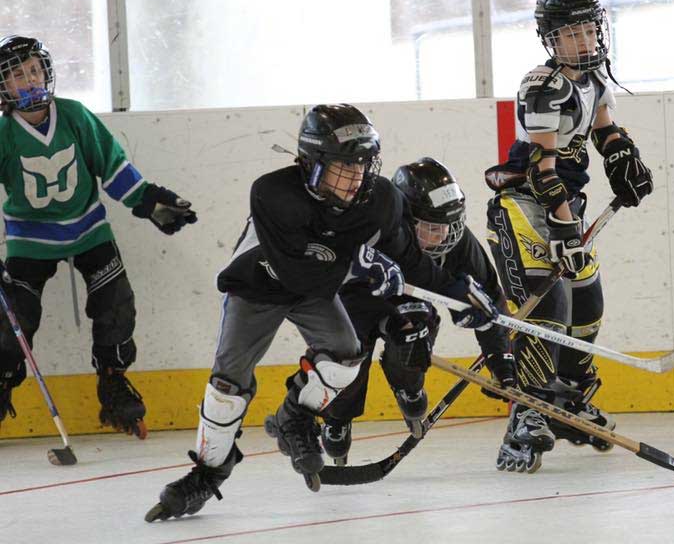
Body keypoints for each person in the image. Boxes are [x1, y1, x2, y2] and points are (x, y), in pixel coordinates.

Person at [146, 104, 499, 521]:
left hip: (316, 287)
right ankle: (208, 473)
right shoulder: (272, 193)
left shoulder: (380, 198)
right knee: (227, 388)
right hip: (258, 283)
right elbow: (294, 271)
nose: (356, 178)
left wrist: (459, 294)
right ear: (311, 162)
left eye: (364, 165)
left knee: (345, 356)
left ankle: (295, 415)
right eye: (344, 167)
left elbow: (410, 259)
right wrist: (360, 265)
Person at [483, 0, 653, 473]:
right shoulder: (543, 85)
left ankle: (570, 397)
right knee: (548, 306)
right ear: (550, 40)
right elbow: (542, 164)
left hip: (565, 207)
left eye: (588, 28)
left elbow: (603, 128)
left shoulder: (595, 77)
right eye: (570, 32)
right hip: (527, 208)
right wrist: (562, 228)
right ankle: (527, 413)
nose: (583, 39)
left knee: (587, 302)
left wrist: (624, 157)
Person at [0, 35, 196, 438]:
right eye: (18, 74)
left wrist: (149, 202)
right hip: (30, 238)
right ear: (3, 87)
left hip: (88, 228)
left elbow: (112, 165)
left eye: (35, 69)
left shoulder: (74, 116)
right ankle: (2, 381)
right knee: (12, 317)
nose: (30, 79)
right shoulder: (3, 134)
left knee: (116, 303)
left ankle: (113, 378)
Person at [320, 157, 517, 465]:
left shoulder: (456, 243)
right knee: (349, 354)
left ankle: (408, 386)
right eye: (432, 228)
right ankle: (338, 416)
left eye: (450, 226)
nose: (444, 238)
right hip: (355, 300)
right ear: (404, 219)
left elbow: (488, 297)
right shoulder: (373, 227)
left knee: (417, 333)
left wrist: (500, 357)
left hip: (407, 301)